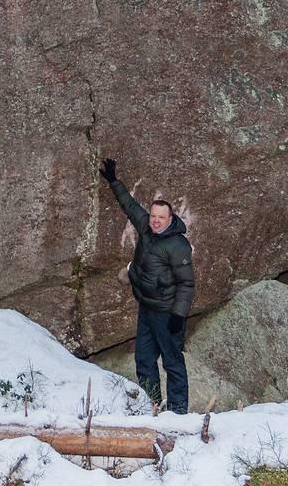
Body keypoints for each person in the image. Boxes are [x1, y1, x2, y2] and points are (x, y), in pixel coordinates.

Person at [100, 157, 194, 414]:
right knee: (144, 359)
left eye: (160, 217)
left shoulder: (177, 245)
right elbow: (130, 207)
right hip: (147, 308)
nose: (154, 220)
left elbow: (187, 283)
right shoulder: (146, 228)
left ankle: (177, 414)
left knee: (173, 363)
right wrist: (113, 182)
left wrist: (178, 315)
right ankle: (153, 405)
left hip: (167, 313)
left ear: (170, 218)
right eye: (153, 216)